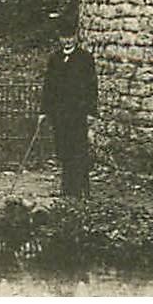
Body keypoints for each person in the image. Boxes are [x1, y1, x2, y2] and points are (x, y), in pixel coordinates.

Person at [39, 19, 98, 197]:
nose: (67, 41)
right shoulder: (55, 59)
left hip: (78, 112)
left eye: (71, 37)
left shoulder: (85, 58)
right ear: (60, 38)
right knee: (64, 150)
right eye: (64, 37)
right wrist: (44, 111)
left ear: (76, 37)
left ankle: (82, 190)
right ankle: (67, 189)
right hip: (60, 113)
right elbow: (48, 86)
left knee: (78, 150)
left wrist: (91, 112)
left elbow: (91, 86)